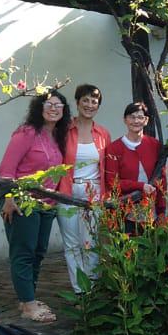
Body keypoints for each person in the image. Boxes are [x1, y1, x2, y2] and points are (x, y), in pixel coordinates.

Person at [0, 91, 70, 323]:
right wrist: (9, 198)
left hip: (47, 204)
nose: (54, 108)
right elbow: (7, 169)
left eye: (58, 105)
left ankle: (27, 298)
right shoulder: (26, 133)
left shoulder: (58, 136)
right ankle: (29, 305)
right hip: (22, 203)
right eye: (49, 104)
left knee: (38, 253)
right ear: (39, 107)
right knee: (24, 253)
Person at [59, 84, 111, 293]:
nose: (89, 105)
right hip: (67, 191)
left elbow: (107, 166)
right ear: (78, 102)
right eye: (86, 100)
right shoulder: (64, 131)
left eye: (94, 102)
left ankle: (93, 287)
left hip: (94, 192)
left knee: (91, 242)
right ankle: (80, 290)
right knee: (71, 244)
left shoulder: (102, 133)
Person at [104, 102, 165, 230]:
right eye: (132, 117)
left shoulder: (154, 145)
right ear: (125, 120)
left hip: (150, 209)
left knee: (151, 247)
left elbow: (161, 178)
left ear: (146, 120)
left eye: (140, 117)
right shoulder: (114, 148)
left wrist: (161, 210)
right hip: (124, 210)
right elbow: (112, 182)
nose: (136, 121)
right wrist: (140, 186)